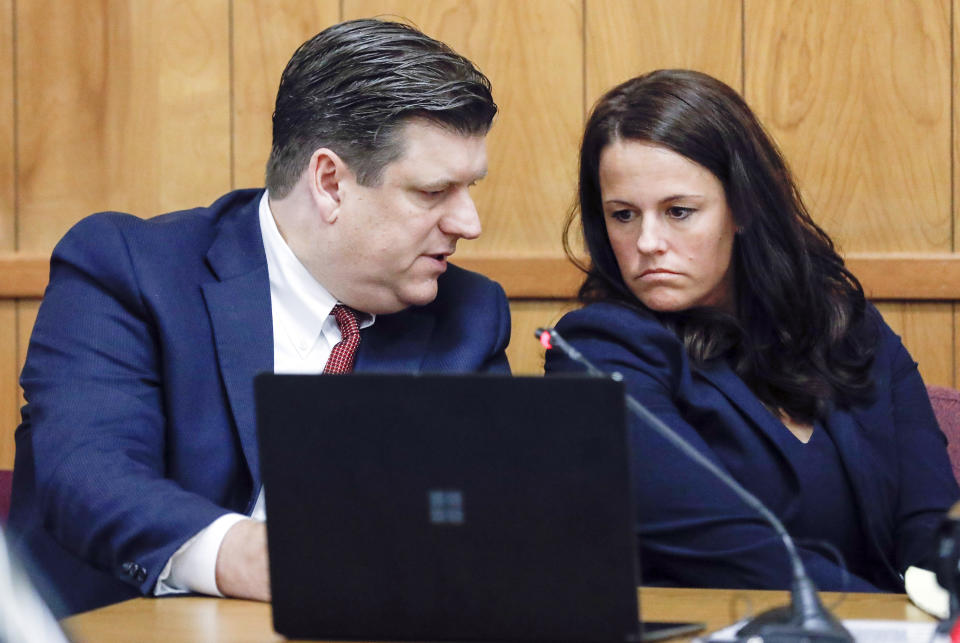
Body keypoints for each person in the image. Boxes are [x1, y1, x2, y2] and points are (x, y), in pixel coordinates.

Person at [8, 19, 511, 616]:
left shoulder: (468, 315)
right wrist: (262, 556)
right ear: (330, 183)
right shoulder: (131, 272)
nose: (468, 223)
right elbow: (89, 478)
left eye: (470, 187)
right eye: (433, 193)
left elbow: (484, 519)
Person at [546, 69, 959, 592]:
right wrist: (891, 624)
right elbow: (730, 553)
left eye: (678, 212)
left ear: (742, 207)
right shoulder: (595, 350)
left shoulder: (847, 324)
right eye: (623, 215)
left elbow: (930, 521)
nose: (647, 241)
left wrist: (939, 614)